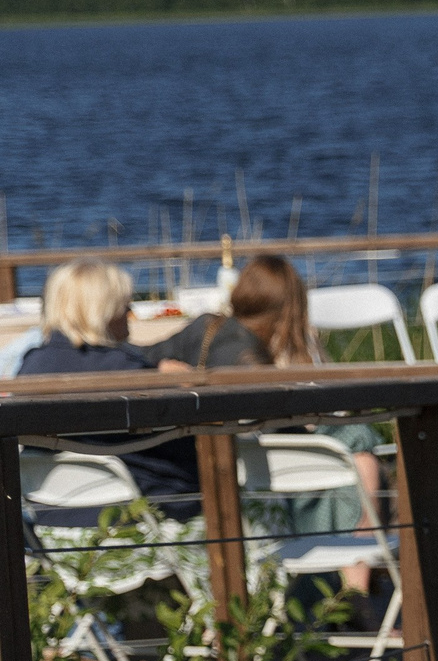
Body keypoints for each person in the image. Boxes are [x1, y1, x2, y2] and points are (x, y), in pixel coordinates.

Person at [166, 255, 390, 608]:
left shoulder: (207, 329)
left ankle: (356, 581)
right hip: (268, 480)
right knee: (358, 443)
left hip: (223, 472)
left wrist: (170, 370)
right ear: (289, 308)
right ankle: (357, 583)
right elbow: (291, 425)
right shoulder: (254, 363)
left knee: (353, 450)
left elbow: (145, 356)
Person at [18, 260, 203, 520]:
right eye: (123, 302)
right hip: (146, 517)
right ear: (103, 310)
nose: (130, 310)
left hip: (54, 523)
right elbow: (189, 441)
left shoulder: (32, 366)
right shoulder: (128, 372)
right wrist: (179, 386)